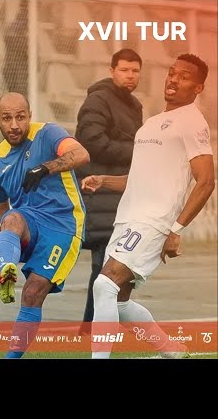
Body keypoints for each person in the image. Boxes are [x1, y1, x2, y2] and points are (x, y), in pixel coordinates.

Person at [82, 53, 214, 359]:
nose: (174, 80)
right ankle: (171, 351)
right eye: (172, 73)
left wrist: (176, 229)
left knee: (104, 285)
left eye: (184, 77)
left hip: (153, 221)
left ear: (198, 88)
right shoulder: (152, 124)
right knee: (118, 301)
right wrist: (104, 180)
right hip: (127, 219)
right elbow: (138, 179)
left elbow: (206, 181)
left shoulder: (192, 121)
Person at [0, 92, 90, 358]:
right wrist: (2, 257)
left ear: (30, 116)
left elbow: (81, 154)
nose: (14, 125)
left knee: (32, 292)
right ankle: (4, 270)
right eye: (7, 118)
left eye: (21, 117)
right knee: (11, 217)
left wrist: (46, 168)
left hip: (63, 225)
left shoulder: (48, 133)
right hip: (28, 221)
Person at [75, 48, 144, 329]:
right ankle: (93, 327)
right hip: (100, 194)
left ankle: (95, 325)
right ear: (112, 71)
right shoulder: (97, 100)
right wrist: (138, 150)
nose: (130, 75)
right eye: (124, 70)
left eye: (135, 71)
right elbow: (92, 143)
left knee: (115, 267)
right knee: (104, 266)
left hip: (123, 193)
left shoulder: (135, 105)